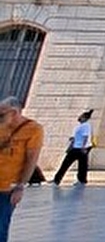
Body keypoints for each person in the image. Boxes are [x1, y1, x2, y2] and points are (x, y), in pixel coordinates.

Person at [0, 97, 44, 241]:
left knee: (1, 226)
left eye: (2, 114)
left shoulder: (33, 129)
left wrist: (20, 187)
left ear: (14, 113)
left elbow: (31, 160)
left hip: (8, 188)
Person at [50, 109, 93, 186]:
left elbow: (85, 137)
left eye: (81, 116)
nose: (79, 117)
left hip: (80, 148)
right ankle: (57, 180)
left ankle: (81, 180)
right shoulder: (79, 126)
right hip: (75, 147)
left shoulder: (86, 125)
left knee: (79, 165)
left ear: (84, 118)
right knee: (70, 164)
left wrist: (83, 147)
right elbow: (75, 138)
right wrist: (70, 146)